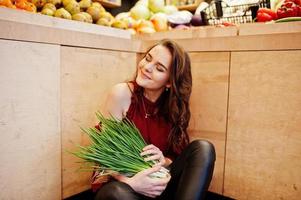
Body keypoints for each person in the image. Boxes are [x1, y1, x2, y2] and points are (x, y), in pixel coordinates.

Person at [93, 39, 216, 200]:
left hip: (159, 185)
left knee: (203, 148)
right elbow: (103, 156)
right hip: (124, 186)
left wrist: (163, 160)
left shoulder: (173, 107)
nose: (146, 67)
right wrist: (131, 182)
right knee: (116, 193)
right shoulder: (122, 94)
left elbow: (175, 158)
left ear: (170, 82)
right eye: (148, 58)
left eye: (159, 68)